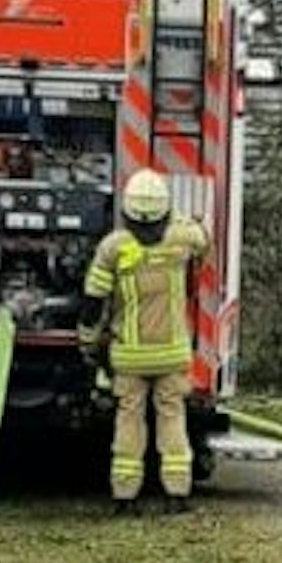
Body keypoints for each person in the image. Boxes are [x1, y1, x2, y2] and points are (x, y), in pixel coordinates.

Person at [78, 168, 211, 515]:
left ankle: (125, 496)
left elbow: (93, 301)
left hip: (129, 357)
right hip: (172, 355)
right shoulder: (180, 240)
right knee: (172, 419)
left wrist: (88, 343)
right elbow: (203, 239)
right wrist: (189, 221)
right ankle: (177, 494)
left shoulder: (113, 247)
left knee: (129, 422)